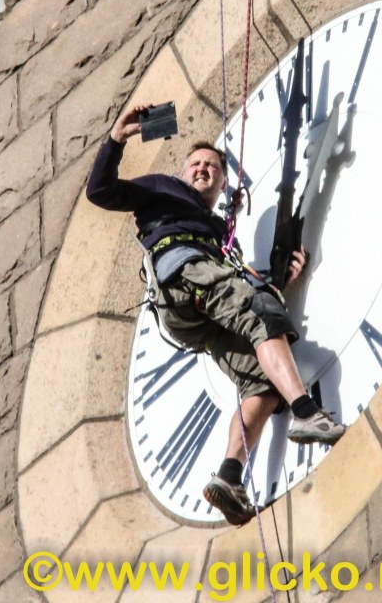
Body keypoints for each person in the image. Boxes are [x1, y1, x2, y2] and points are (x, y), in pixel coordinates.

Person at [86, 103, 346, 525]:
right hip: (185, 273)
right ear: (183, 173)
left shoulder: (219, 235)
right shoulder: (161, 189)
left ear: (223, 183)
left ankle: (229, 476)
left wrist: (282, 282)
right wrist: (117, 137)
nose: (202, 168)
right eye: (196, 164)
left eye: (212, 166)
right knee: (260, 312)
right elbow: (100, 191)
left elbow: (234, 288)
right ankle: (305, 413)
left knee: (262, 384)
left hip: (188, 312)